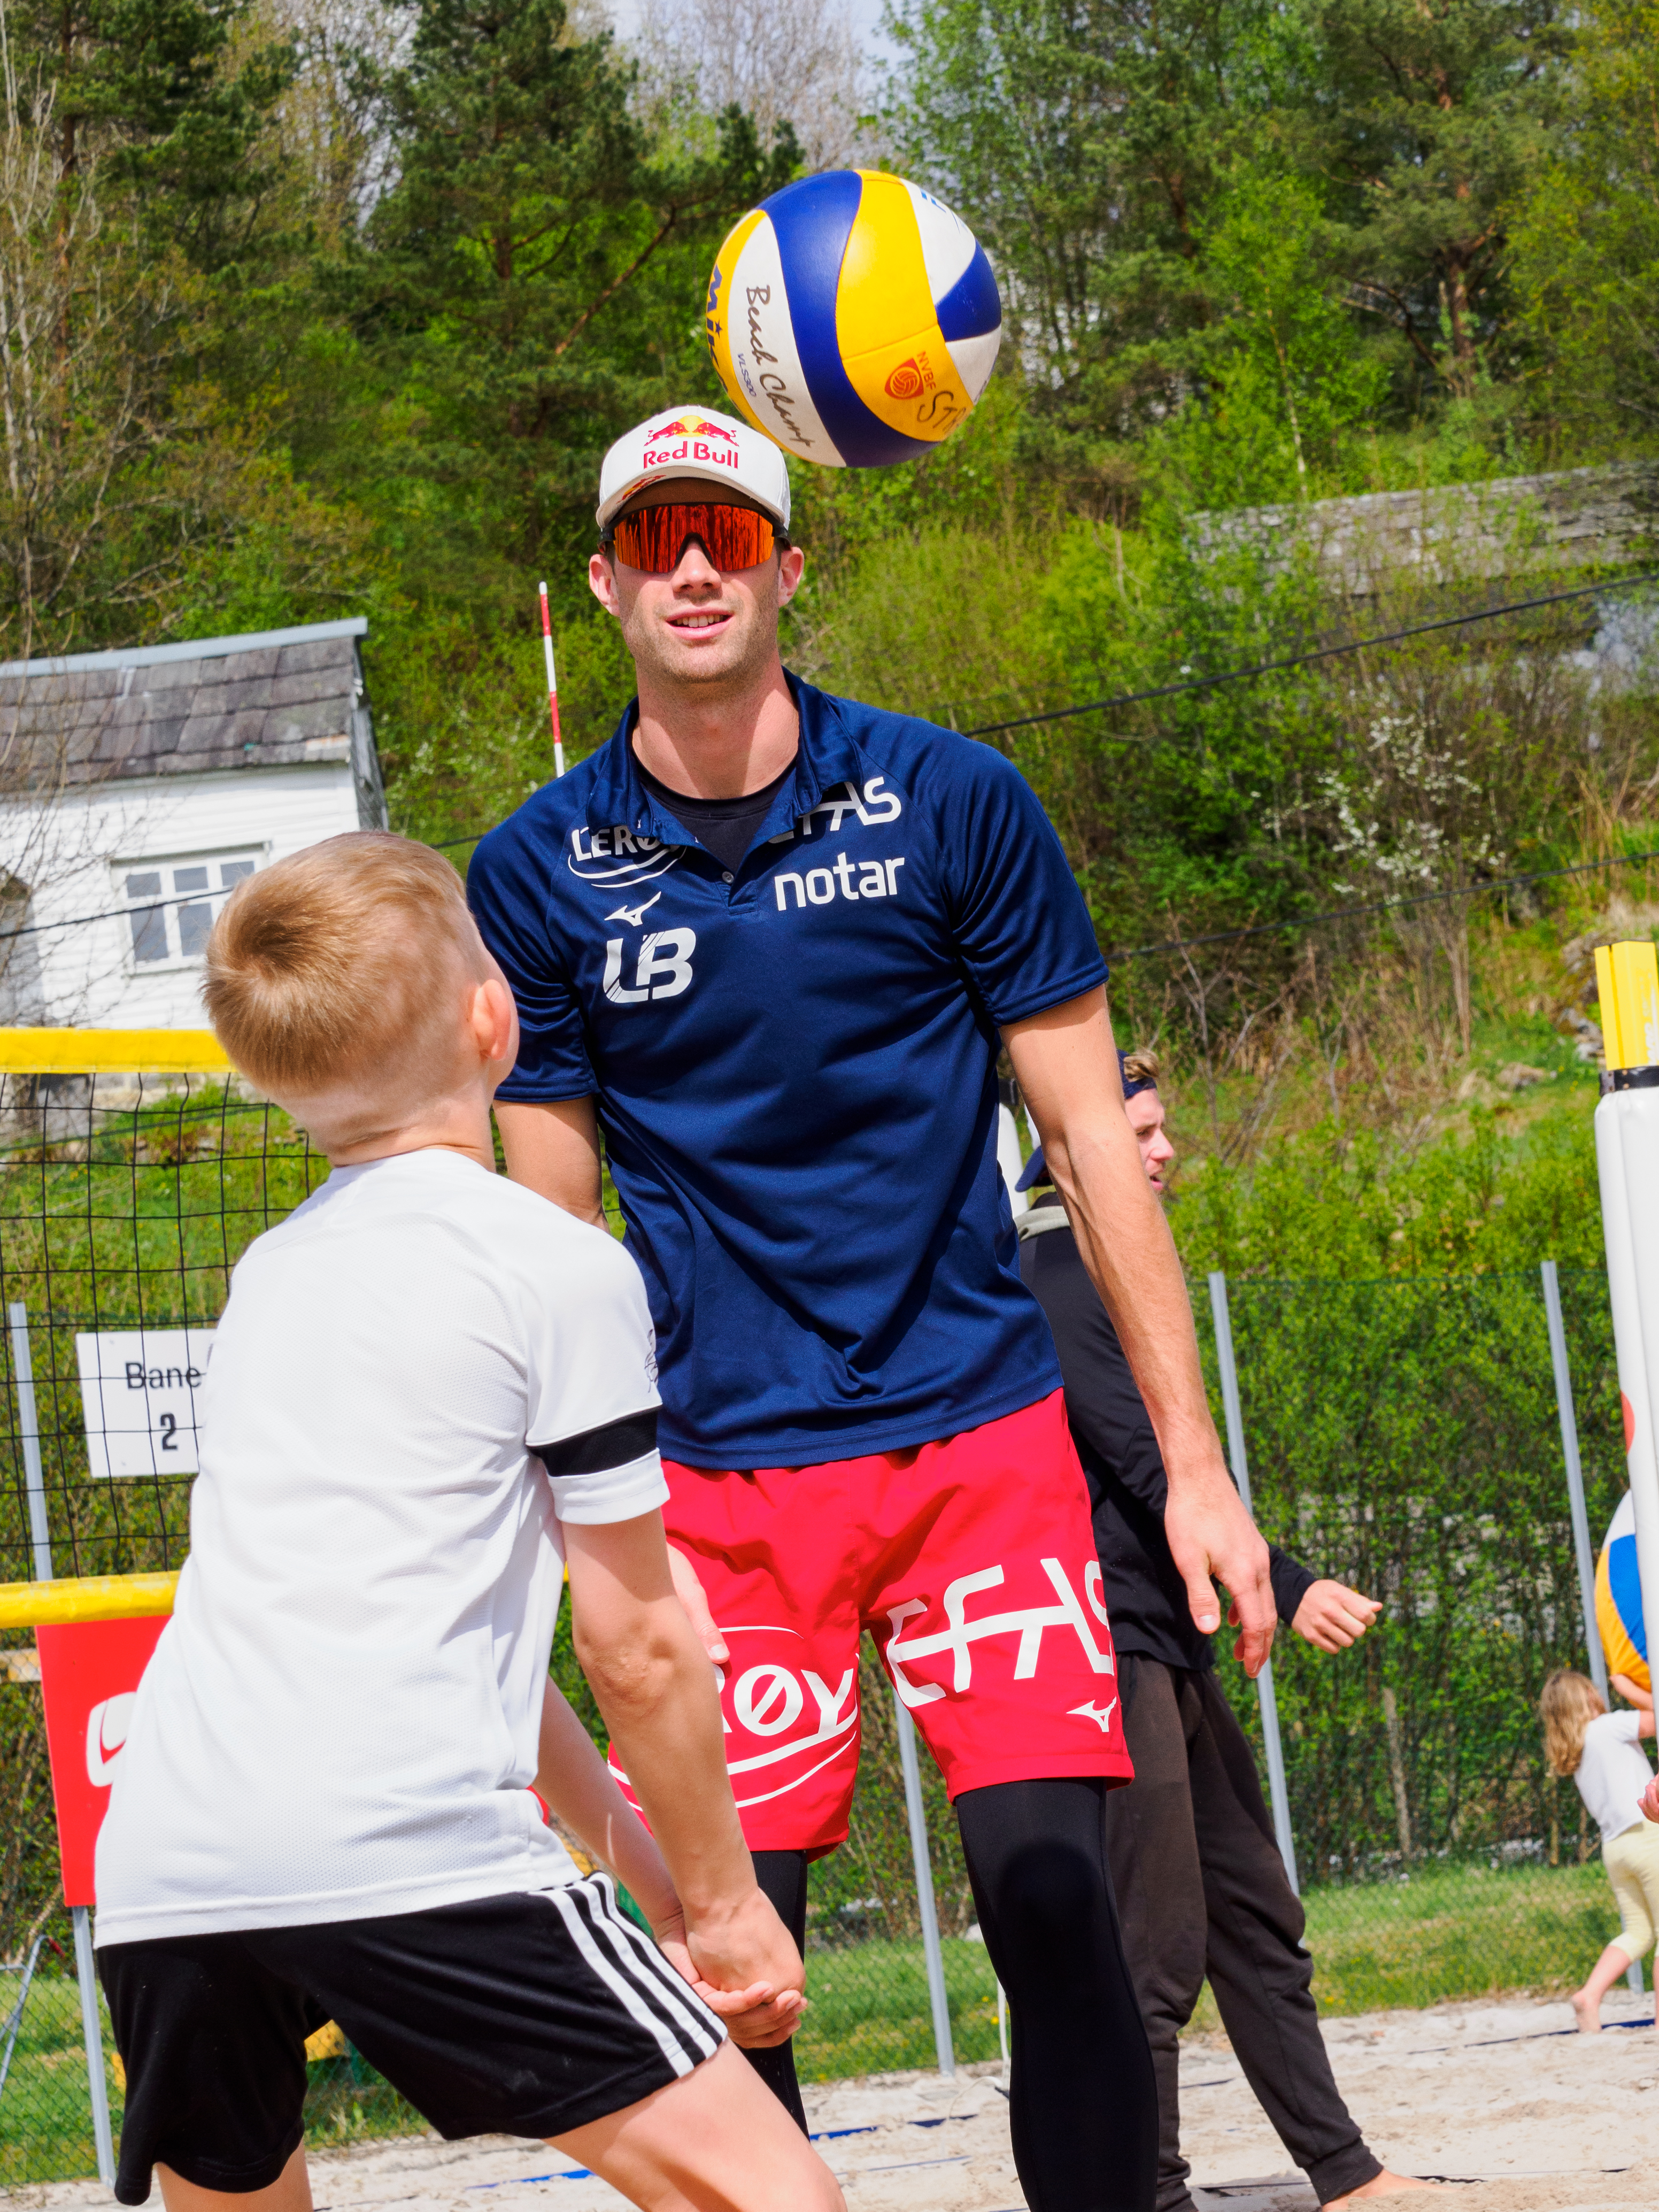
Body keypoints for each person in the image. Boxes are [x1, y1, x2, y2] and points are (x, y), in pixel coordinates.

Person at [467, 402, 1278, 2212]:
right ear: (602, 582)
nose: (694, 563)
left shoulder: (949, 797)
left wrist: (1195, 1468)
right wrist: (556, 1515)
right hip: (718, 1482)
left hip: (979, 1437)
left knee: (1056, 1906)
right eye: (658, 537)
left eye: (729, 534)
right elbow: (551, 1217)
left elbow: (1088, 1135)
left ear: (789, 566)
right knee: (735, 1961)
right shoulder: (535, 869)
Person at [93, 833, 840, 2212]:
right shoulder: (552, 1266)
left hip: (166, 1865)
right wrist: (725, 1900)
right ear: (493, 1018)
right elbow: (639, 1647)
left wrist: (639, 1877)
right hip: (408, 1842)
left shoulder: (269, 1277)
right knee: (774, 2198)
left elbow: (466, 1652)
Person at [1016, 1048, 1434, 2212]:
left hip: (1165, 1634)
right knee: (1151, 1951)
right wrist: (1286, 1581)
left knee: (1256, 1915)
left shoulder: (1108, 1266)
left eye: (1159, 1130)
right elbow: (1146, 1458)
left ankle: (1344, 2172)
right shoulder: (1054, 1268)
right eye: (1139, 1131)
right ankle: (1145, 2193)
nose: (1162, 1151)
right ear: (1066, 1146)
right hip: (1103, 1641)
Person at [1540, 1667, 1659, 2031]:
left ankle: (1589, 1995)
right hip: (1646, 1833)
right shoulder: (1608, 1727)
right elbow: (1657, 1717)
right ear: (1588, 1698)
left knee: (1638, 1931)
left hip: (1614, 1848)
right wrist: (1629, 1689)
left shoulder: (1577, 1749)